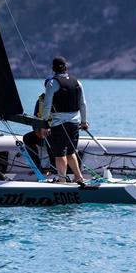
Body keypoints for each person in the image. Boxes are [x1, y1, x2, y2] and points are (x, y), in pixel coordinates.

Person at [41, 56, 89, 184]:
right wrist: (84, 122)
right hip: (75, 123)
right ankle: (78, 177)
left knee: (60, 154)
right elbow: (83, 104)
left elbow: (46, 105)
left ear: (53, 69)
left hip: (59, 124)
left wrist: (44, 123)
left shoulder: (52, 83)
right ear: (66, 67)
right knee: (71, 151)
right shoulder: (77, 82)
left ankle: (62, 180)